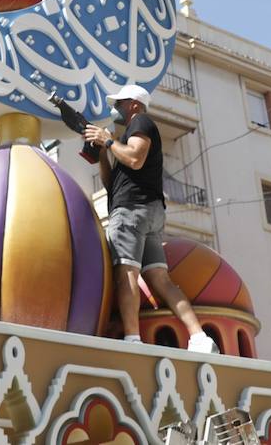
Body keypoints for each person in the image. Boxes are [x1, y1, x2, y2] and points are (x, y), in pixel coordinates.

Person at [83, 84, 219, 353]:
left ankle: (133, 339)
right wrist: (102, 155)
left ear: (134, 104)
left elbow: (135, 159)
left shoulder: (141, 122)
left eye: (120, 104)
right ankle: (198, 337)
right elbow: (113, 186)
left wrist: (109, 141)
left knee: (126, 273)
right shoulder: (129, 135)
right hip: (147, 213)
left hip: (132, 212)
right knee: (160, 279)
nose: (116, 109)